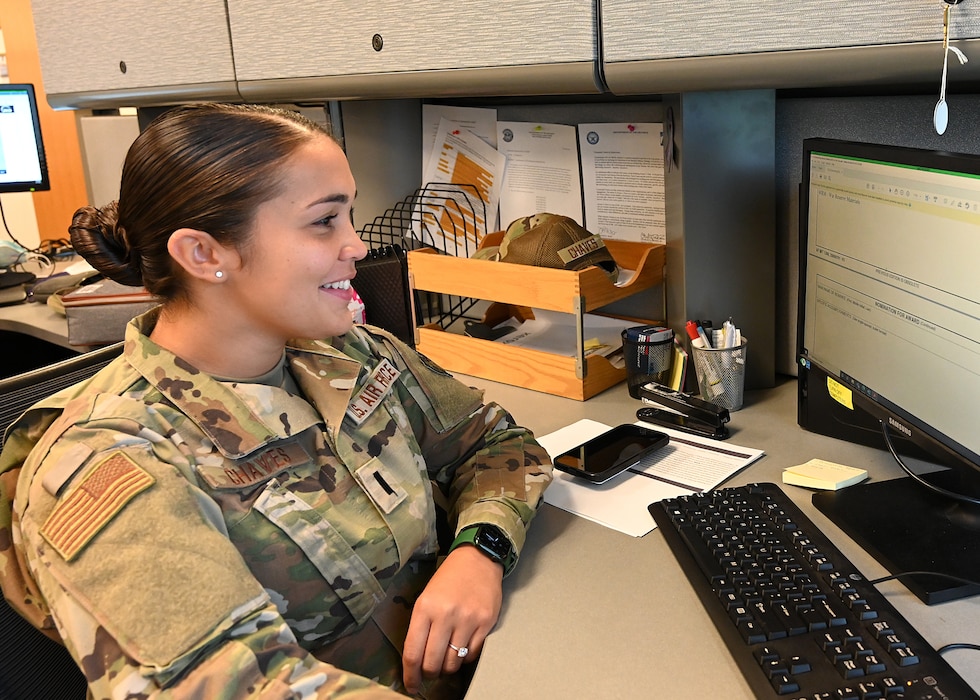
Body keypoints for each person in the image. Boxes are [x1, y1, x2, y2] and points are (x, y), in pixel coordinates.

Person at [0, 103, 553, 699]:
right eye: (324, 222)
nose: (358, 246)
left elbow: (497, 444)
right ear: (205, 254)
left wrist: (479, 552)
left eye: (350, 215)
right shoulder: (112, 464)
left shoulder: (349, 353)